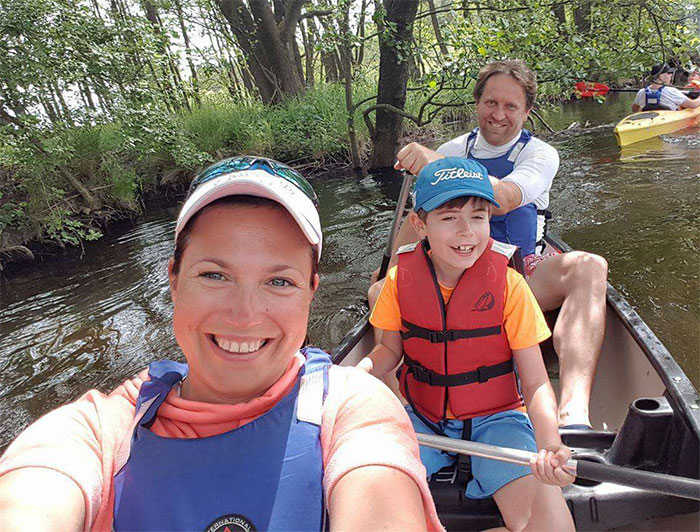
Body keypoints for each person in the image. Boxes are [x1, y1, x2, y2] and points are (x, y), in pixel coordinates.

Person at [0, 156, 443, 531]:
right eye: (214, 275)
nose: (245, 314)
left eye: (279, 281)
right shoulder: (98, 432)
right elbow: (32, 495)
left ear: (311, 290)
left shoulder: (352, 406)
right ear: (174, 280)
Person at [373, 59, 608, 429]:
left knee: (590, 266)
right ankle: (393, 407)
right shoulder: (454, 148)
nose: (499, 114)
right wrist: (389, 273)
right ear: (477, 104)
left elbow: (506, 199)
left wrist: (437, 164)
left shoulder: (540, 154)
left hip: (520, 274)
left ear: (527, 112)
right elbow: (417, 219)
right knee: (378, 292)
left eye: (511, 106)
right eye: (490, 103)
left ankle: (573, 414)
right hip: (453, 275)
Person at [359, 157, 575, 531]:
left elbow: (537, 381)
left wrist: (550, 442)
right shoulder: (399, 280)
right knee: (369, 506)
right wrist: (354, 375)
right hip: (423, 419)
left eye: (478, 217)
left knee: (552, 526)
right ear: (420, 224)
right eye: (449, 218)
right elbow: (388, 352)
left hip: (498, 420)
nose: (467, 232)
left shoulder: (509, 285)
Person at [631, 63, 700, 112]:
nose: (670, 75)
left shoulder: (641, 92)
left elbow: (634, 109)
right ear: (661, 77)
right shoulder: (671, 91)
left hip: (649, 120)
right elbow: (693, 105)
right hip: (668, 120)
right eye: (668, 73)